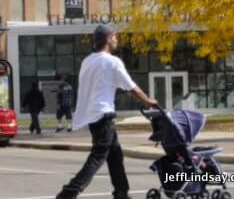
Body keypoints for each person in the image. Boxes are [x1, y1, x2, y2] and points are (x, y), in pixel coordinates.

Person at [56, 25, 158, 199]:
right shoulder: (111, 61)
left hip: (94, 117)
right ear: (108, 39)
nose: (117, 40)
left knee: (115, 156)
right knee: (98, 156)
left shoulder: (88, 61)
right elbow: (130, 85)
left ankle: (122, 193)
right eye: (115, 37)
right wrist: (148, 100)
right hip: (104, 114)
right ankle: (68, 193)